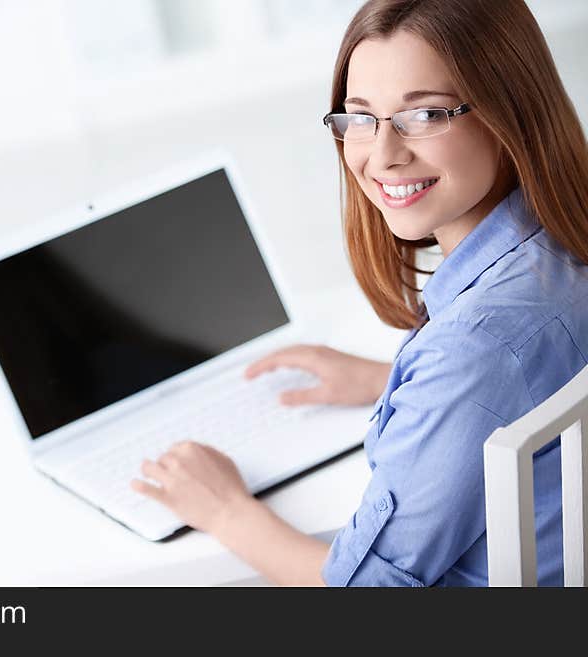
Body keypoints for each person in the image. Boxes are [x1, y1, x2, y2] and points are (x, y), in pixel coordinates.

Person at [130, 0, 588, 586]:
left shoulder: (476, 347)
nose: (383, 154)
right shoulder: (562, 248)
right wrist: (388, 382)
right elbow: (530, 373)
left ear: (509, 113)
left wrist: (225, 510)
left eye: (424, 115)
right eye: (361, 118)